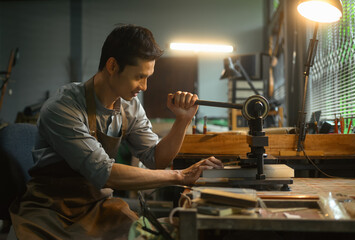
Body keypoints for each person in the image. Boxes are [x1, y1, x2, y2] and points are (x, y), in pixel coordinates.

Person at [9, 25, 223, 239]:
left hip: (97, 205)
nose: (145, 86)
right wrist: (180, 176)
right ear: (112, 66)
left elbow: (155, 160)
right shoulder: (63, 108)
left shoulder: (129, 106)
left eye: (148, 77)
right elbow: (104, 172)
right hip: (49, 211)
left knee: (147, 235)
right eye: (139, 76)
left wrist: (182, 120)